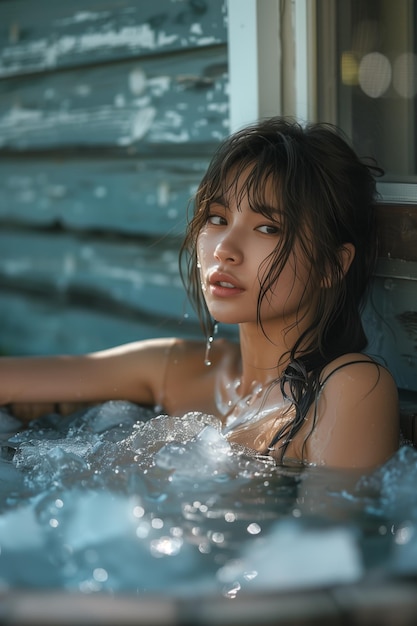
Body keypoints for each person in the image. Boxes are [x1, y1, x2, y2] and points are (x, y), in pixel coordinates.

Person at [0, 117, 399, 469]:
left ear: (331, 265)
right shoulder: (180, 370)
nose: (225, 247)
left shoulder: (349, 388)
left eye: (267, 228)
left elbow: (326, 546)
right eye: (217, 218)